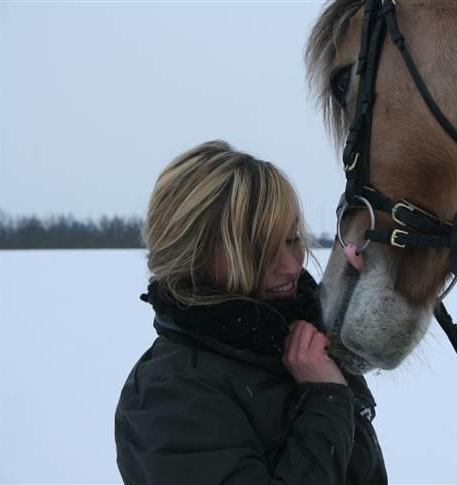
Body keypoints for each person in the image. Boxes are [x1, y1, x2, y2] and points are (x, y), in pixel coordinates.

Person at [114, 140, 387, 485]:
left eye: (291, 241)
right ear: (191, 255)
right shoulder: (168, 399)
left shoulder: (282, 337)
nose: (290, 267)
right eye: (258, 250)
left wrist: (346, 299)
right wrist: (326, 401)